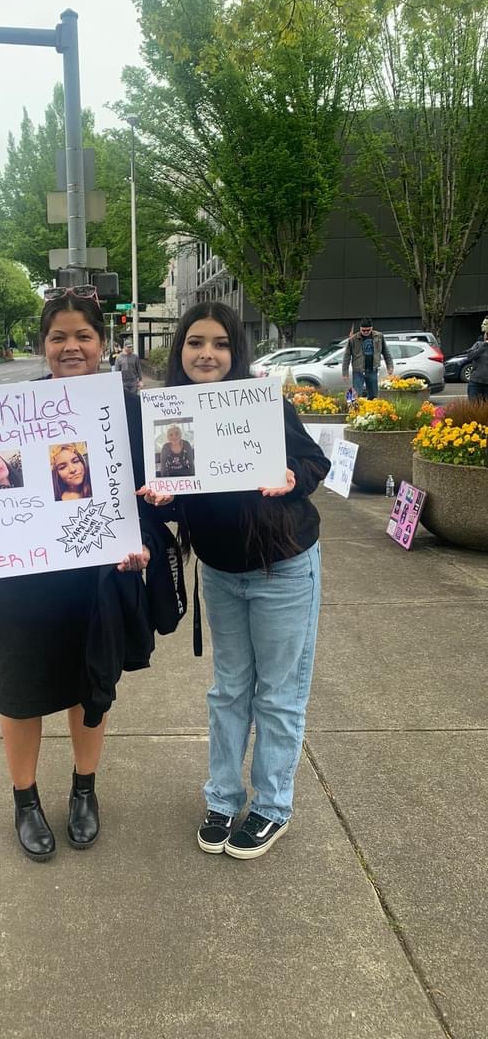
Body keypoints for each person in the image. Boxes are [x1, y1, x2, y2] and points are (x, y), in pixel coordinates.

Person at [0, 288, 154, 862]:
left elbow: (154, 494)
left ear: (104, 344)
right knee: (21, 691)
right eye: (59, 336)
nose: (71, 346)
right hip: (24, 578)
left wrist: (145, 541)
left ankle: (86, 789)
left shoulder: (130, 409)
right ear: (43, 346)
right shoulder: (9, 411)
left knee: (90, 688)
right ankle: (25, 800)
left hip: (96, 578)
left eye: (83, 335)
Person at [162, 302, 330, 859]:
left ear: (237, 352)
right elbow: (166, 488)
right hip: (222, 572)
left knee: (279, 694)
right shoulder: (166, 416)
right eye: (195, 342)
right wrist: (159, 497)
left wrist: (290, 477)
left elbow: (313, 463)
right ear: (180, 350)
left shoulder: (261, 404)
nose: (206, 353)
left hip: (281, 567)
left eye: (219, 344)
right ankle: (223, 796)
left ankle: (271, 806)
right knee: (229, 689)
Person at [342, 320, 394, 398]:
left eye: (368, 330)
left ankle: (371, 408)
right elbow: (347, 356)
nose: (366, 332)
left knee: (373, 394)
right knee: (357, 394)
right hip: (358, 370)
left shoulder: (379, 336)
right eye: (363, 330)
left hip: (372, 369)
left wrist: (390, 366)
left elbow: (386, 352)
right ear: (360, 329)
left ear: (371, 328)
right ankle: (355, 409)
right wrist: (345, 373)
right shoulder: (353, 339)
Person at [465, 328, 488, 401]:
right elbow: (470, 356)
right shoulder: (478, 344)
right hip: (476, 383)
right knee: (474, 408)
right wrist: (483, 346)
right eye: (486, 334)